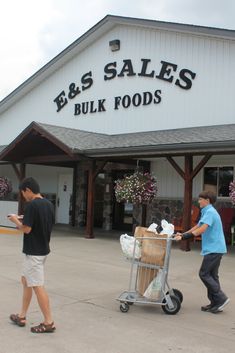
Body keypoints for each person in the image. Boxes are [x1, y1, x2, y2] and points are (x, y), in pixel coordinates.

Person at [7, 177, 56, 333]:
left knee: (36, 285)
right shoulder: (48, 204)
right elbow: (40, 224)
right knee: (26, 280)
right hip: (42, 249)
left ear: (28, 190)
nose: (23, 197)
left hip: (34, 252)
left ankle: (49, 322)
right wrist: (22, 221)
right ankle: (22, 315)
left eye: (23, 193)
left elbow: (27, 229)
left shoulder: (32, 205)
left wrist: (15, 220)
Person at [174, 190, 230, 314]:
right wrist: (183, 234)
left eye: (200, 199)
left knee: (204, 274)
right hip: (215, 248)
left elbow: (202, 230)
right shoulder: (207, 211)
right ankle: (215, 303)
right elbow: (197, 226)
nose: (198, 201)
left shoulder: (210, 212)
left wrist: (184, 238)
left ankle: (221, 298)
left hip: (214, 249)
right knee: (212, 276)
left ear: (207, 200)